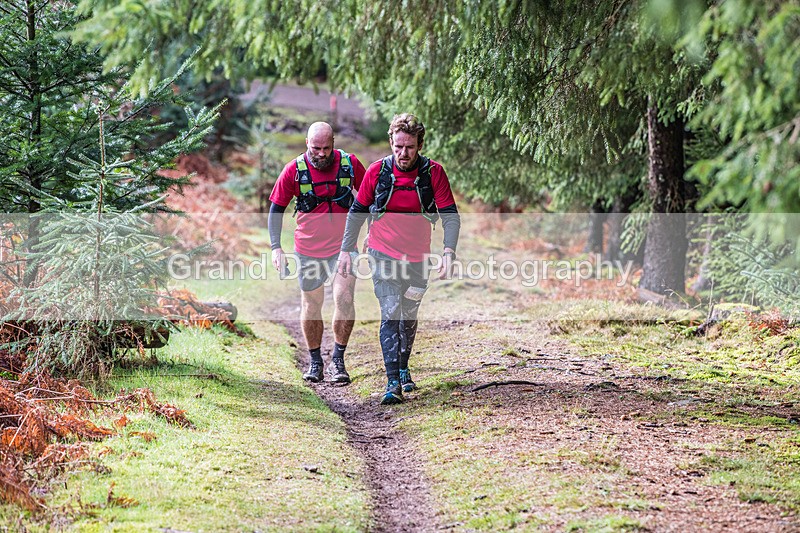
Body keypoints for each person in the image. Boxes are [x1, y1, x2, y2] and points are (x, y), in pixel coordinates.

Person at [338, 113, 460, 404]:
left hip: (418, 259)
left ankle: (404, 368)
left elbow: (450, 217)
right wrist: (346, 249)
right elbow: (357, 212)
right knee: (390, 312)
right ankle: (392, 382)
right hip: (382, 254)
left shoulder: (433, 173)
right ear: (391, 142)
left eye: (409, 147)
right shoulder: (378, 172)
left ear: (419, 145)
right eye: (398, 147)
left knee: (409, 315)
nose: (403, 153)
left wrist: (448, 252)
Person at [268, 122, 366, 384]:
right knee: (311, 304)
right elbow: (276, 210)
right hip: (308, 249)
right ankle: (315, 361)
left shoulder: (350, 164)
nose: (321, 154)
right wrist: (276, 247)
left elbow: (369, 198)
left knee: (344, 297)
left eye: (326, 148)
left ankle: (338, 360)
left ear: (333, 142)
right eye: (315, 148)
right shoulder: (294, 170)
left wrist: (373, 232)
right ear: (306, 144)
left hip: (345, 248)